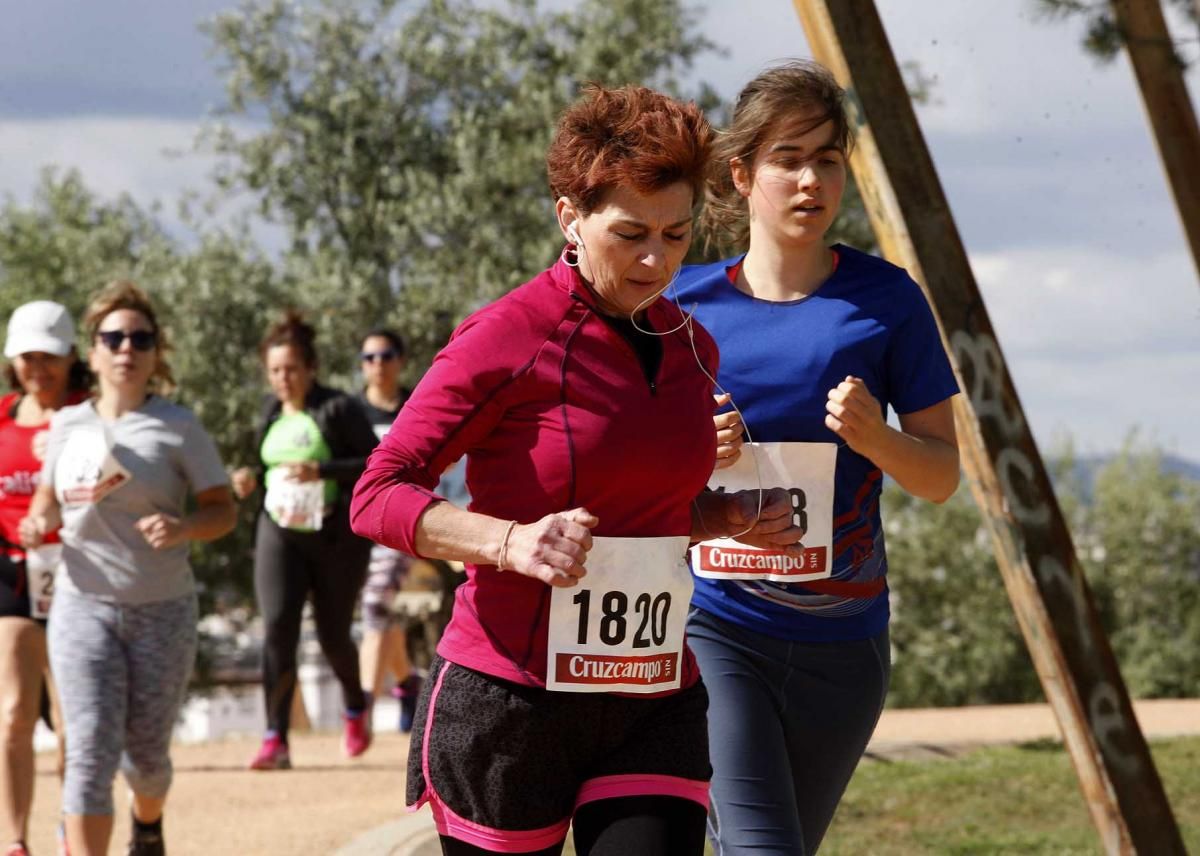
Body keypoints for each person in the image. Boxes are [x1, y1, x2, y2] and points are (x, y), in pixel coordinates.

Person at [350, 84, 801, 856]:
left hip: (651, 693)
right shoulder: (506, 336)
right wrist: (507, 542)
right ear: (570, 217)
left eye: (677, 233)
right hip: (512, 700)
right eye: (630, 234)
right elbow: (376, 493)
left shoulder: (694, 346)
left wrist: (725, 518)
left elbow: (638, 514)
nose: (657, 259)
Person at [674, 60, 961, 855]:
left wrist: (877, 437)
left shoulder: (886, 300)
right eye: (787, 159)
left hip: (847, 644)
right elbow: (626, 466)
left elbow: (942, 476)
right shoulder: (681, 308)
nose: (810, 180)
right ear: (742, 173)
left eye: (827, 160)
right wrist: (696, 455)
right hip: (717, 625)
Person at [18, 281, 237, 856]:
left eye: (141, 338)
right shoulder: (66, 426)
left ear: (155, 352)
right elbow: (45, 497)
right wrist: (36, 520)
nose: (126, 348)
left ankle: (148, 824)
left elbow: (223, 510)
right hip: (80, 604)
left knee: (147, 761)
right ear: (91, 353)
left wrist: (186, 526)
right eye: (112, 337)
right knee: (88, 752)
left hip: (162, 609)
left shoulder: (179, 426)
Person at [231, 313, 379, 769]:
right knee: (277, 626)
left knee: (333, 634)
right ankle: (275, 737)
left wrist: (324, 472)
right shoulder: (269, 411)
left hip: (335, 538)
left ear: (311, 367)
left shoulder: (338, 408)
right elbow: (269, 465)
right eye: (275, 371)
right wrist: (249, 478)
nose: (283, 379)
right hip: (280, 530)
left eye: (291, 369)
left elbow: (376, 462)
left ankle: (355, 704)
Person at [0, 301, 90, 856]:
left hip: (78, 571)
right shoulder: (2, 419)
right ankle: (13, 840)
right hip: (9, 570)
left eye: (49, 357)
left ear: (71, 357)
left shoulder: (88, 415)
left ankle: (70, 827)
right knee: (11, 709)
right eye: (28, 357)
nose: (38, 367)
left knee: (71, 717)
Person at [353, 328, 422, 730]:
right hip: (358, 528)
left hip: (402, 524)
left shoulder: (417, 406)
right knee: (384, 612)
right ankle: (407, 680)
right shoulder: (351, 412)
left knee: (376, 605)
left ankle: (360, 708)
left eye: (386, 355)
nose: (378, 364)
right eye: (369, 357)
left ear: (400, 360)